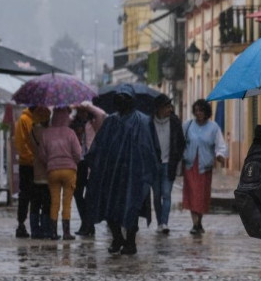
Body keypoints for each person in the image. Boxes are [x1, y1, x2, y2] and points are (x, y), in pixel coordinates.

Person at [85, 86, 161, 256]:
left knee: (131, 207)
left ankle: (131, 242)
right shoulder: (111, 121)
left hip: (134, 173)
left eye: (125, 98)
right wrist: (94, 161)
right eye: (119, 98)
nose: (121, 101)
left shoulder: (143, 121)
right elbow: (100, 145)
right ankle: (117, 238)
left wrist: (149, 168)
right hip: (113, 173)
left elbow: (151, 147)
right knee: (111, 207)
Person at [182, 99, 227, 235]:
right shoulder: (188, 125)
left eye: (201, 110)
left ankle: (199, 222)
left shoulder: (214, 127)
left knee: (201, 195)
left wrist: (220, 155)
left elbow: (220, 145)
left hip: (205, 166)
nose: (198, 113)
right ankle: (195, 223)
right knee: (192, 194)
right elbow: (180, 141)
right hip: (190, 164)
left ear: (206, 111)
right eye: (196, 110)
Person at [37, 107, 82, 240]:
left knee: (54, 201)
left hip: (53, 171)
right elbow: (78, 153)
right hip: (69, 170)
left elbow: (41, 154)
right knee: (67, 202)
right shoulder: (70, 133)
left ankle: (53, 232)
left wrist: (50, 162)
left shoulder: (46, 133)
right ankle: (66, 232)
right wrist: (73, 161)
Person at [70, 100, 106, 236]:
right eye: (80, 111)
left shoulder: (94, 124)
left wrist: (87, 105)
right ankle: (86, 223)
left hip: (92, 163)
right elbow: (64, 120)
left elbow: (101, 114)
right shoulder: (73, 124)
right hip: (79, 163)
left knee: (90, 196)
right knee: (78, 194)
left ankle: (88, 225)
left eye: (84, 111)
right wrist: (73, 107)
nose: (82, 113)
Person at [150, 95, 186, 234]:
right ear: (159, 108)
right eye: (166, 106)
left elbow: (181, 142)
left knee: (166, 194)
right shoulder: (150, 122)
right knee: (156, 195)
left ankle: (164, 223)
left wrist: (177, 158)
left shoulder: (175, 122)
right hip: (154, 164)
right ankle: (159, 222)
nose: (169, 109)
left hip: (169, 164)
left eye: (170, 106)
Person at [28, 106, 53, 240]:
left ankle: (34, 230)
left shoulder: (31, 132)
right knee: (47, 203)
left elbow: (33, 149)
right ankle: (45, 230)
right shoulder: (48, 133)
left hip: (35, 171)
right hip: (47, 173)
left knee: (35, 203)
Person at [13, 105, 37, 238]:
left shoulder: (38, 119)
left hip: (37, 164)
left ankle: (35, 226)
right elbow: (21, 144)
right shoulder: (23, 120)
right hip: (27, 164)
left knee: (36, 195)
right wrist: (32, 157)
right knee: (25, 195)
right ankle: (21, 224)